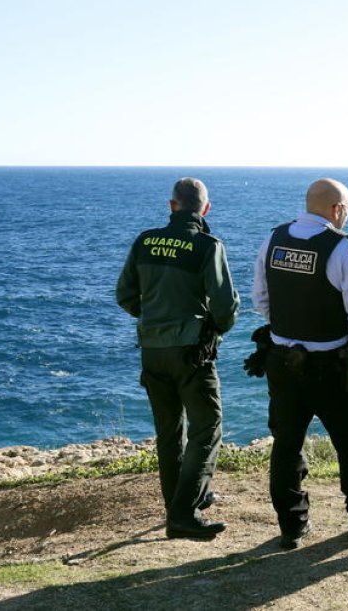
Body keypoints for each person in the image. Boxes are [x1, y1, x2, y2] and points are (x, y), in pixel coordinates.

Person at [251, 178, 348, 549]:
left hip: (283, 361)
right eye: (347, 209)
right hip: (332, 367)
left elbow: (260, 299)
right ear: (337, 210)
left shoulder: (274, 239)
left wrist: (288, 330)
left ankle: (291, 525)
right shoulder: (342, 249)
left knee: (286, 444)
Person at [116, 178, 239, 540]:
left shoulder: (145, 241)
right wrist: (211, 330)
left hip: (152, 351)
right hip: (190, 352)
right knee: (207, 427)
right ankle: (183, 514)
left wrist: (154, 317)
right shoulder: (207, 245)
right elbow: (226, 306)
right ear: (205, 209)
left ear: (172, 206)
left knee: (168, 433)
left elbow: (124, 294)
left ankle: (180, 503)